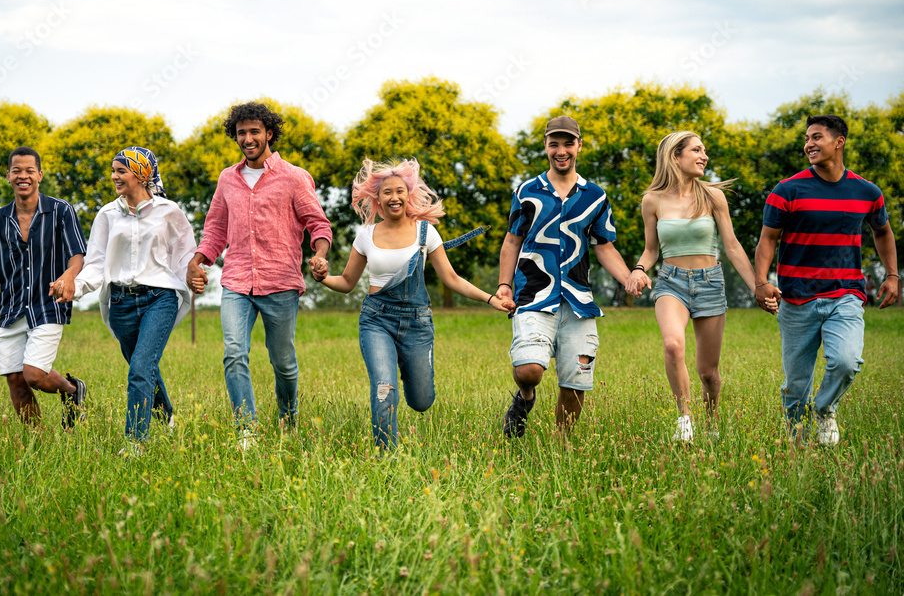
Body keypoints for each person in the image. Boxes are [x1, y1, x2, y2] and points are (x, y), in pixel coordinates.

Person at [316, 158, 514, 451]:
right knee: (384, 388)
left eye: (399, 191)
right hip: (376, 320)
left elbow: (452, 278)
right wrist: (322, 277)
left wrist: (490, 298)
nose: (394, 197)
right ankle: (386, 458)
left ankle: (410, 373)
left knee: (422, 401)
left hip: (416, 323)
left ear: (408, 194)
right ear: (378, 198)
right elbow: (346, 282)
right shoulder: (366, 235)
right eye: (387, 192)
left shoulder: (426, 232)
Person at [186, 102, 332, 445]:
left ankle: (288, 419)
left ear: (269, 133)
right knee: (234, 352)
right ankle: (246, 432)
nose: (248, 139)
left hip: (280, 281)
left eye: (255, 132)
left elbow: (318, 223)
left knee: (283, 363)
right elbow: (215, 230)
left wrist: (320, 255)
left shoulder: (294, 177)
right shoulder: (227, 179)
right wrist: (198, 261)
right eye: (241, 133)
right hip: (236, 281)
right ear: (234, 136)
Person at [755, 114, 898, 446]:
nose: (809, 144)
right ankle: (797, 450)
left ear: (839, 142)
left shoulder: (867, 191)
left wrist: (892, 275)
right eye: (807, 138)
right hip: (796, 296)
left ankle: (825, 409)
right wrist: (761, 282)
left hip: (845, 293)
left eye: (816, 137)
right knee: (796, 385)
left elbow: (883, 231)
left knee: (847, 360)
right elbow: (767, 239)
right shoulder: (787, 190)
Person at [498, 116, 645, 438]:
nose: (561, 150)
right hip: (532, 295)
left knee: (575, 381)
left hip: (578, 299)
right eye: (554, 144)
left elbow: (604, 246)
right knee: (529, 370)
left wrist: (628, 278)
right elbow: (512, 240)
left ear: (579, 146)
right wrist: (504, 287)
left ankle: (561, 446)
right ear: (546, 148)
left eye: (568, 143)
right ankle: (525, 398)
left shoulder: (595, 196)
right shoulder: (527, 191)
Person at [625, 131, 773, 443]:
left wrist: (759, 286)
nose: (704, 156)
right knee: (673, 346)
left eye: (704, 150)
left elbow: (732, 247)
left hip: (710, 283)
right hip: (670, 283)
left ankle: (712, 422)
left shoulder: (713, 197)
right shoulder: (652, 201)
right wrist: (638, 270)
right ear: (675, 156)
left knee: (708, 372)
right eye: (696, 150)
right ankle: (684, 420)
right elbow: (651, 249)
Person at [72, 147, 196, 452]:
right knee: (143, 366)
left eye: (121, 171)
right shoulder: (107, 214)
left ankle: (135, 442)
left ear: (141, 174)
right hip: (121, 304)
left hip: (160, 298)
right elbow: (96, 262)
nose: (114, 177)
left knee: (140, 367)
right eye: (113, 171)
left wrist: (195, 276)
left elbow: (185, 256)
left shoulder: (169, 211)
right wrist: (75, 289)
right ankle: (166, 417)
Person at [0, 146, 88, 427]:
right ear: (8, 176)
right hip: (11, 308)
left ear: (40, 175)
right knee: (15, 378)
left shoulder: (61, 211)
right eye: (17, 170)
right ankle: (38, 443)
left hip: (48, 304)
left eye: (29, 170)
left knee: (33, 374)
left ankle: (73, 391)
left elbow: (77, 256)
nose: (23, 176)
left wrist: (69, 276)